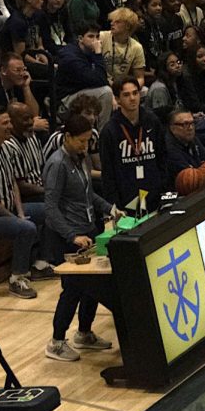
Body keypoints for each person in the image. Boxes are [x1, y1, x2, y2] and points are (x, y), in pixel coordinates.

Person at [43, 112, 119, 362]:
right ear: (67, 137)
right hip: (69, 237)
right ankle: (55, 342)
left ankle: (84, 333)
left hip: (88, 232)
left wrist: (109, 208)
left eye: (88, 141)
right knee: (72, 290)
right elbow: (51, 208)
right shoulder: (57, 164)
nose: (85, 146)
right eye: (81, 141)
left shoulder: (80, 158)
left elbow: (87, 196)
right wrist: (71, 235)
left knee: (92, 288)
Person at [0, 106, 48, 299]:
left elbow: (13, 184)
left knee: (49, 211)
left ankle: (37, 263)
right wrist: (15, 218)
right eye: (5, 123)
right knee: (26, 228)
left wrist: (20, 212)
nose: (10, 126)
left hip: (9, 209)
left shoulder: (5, 148)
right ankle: (17, 278)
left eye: (9, 122)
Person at [99, 77, 167, 215]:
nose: (132, 98)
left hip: (154, 196)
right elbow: (108, 174)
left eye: (135, 93)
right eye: (126, 95)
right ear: (117, 99)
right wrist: (115, 206)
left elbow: (163, 159)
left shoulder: (152, 121)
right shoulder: (110, 130)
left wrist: (164, 193)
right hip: (126, 201)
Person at [55, 22, 115, 130]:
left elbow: (101, 77)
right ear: (80, 38)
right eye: (91, 36)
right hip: (65, 100)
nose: (96, 41)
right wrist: (98, 53)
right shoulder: (70, 57)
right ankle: (103, 134)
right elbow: (99, 79)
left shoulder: (88, 51)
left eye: (97, 36)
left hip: (83, 91)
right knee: (106, 92)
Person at [164, 108, 205, 185]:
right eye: (185, 124)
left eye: (192, 123)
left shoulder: (192, 139)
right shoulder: (168, 148)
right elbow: (190, 176)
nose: (191, 128)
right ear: (172, 128)